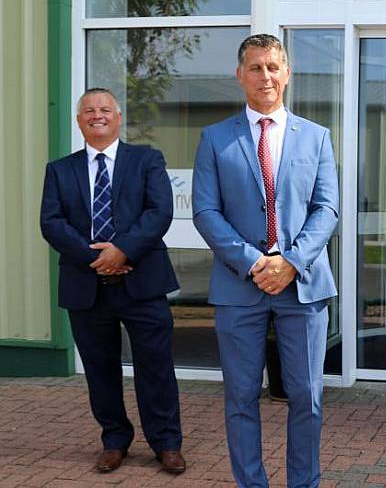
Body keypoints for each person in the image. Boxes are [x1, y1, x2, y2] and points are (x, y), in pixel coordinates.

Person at [192, 34, 339, 488]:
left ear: (288, 74)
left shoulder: (316, 137)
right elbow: (205, 211)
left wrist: (291, 262)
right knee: (240, 397)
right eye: (255, 67)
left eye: (273, 66)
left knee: (307, 397)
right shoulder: (215, 138)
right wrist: (256, 262)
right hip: (240, 286)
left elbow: (327, 208)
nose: (265, 76)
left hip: (304, 283)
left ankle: (303, 483)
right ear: (240, 76)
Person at [39, 87, 186, 474]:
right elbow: (51, 223)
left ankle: (166, 443)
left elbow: (159, 212)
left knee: (155, 367)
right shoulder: (59, 169)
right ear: (79, 120)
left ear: (118, 118)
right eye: (88, 110)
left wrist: (121, 250)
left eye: (105, 109)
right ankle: (114, 439)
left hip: (143, 282)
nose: (97, 114)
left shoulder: (146, 160)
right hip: (86, 286)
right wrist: (96, 259)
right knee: (99, 369)